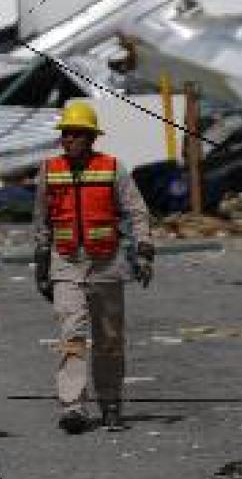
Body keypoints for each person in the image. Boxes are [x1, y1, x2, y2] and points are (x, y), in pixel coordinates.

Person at [31, 99, 152, 433]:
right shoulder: (48, 170)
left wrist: (144, 251)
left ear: (90, 137)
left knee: (109, 338)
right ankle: (73, 407)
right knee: (71, 334)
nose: (67, 139)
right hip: (66, 262)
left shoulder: (112, 168)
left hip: (107, 263)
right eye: (65, 134)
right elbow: (41, 218)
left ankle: (111, 402)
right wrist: (41, 264)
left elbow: (136, 210)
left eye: (74, 134)